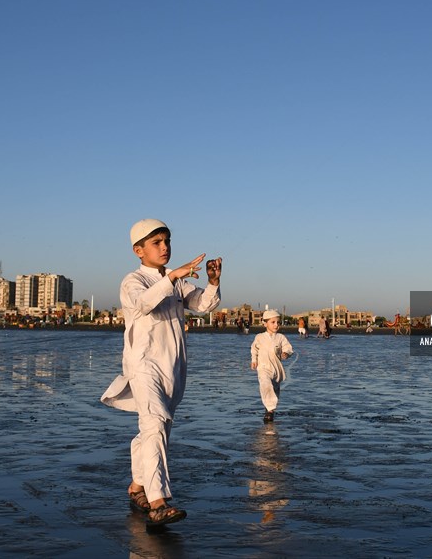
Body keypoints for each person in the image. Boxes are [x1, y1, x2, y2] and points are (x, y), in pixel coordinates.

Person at [100, 219, 222, 529]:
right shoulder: (133, 281)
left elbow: (204, 305)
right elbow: (143, 304)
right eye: (157, 243)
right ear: (138, 250)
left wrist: (213, 282)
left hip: (174, 367)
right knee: (154, 423)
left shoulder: (177, 281)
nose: (165, 247)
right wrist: (174, 276)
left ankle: (137, 486)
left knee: (158, 429)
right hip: (144, 365)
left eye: (166, 240)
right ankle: (158, 502)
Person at [251, 309, 294, 422]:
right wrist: (254, 360)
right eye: (273, 322)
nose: (276, 325)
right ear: (265, 323)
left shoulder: (280, 337)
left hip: (276, 369)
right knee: (265, 384)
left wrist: (286, 353)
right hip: (263, 367)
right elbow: (254, 349)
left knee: (274, 389)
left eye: (278, 322)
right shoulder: (259, 337)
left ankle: (269, 410)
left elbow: (288, 348)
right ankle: (270, 410)